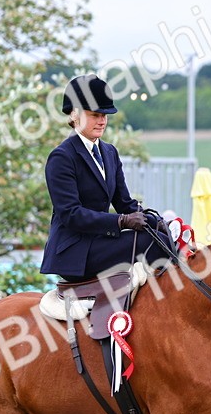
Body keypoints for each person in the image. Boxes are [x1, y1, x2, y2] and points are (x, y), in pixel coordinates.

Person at [40, 74, 172, 282]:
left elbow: (125, 203)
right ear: (75, 115)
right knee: (148, 242)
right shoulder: (62, 157)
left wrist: (157, 222)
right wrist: (122, 221)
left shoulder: (110, 152)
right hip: (74, 251)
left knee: (163, 238)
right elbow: (71, 214)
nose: (102, 121)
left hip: (100, 242)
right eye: (95, 115)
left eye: (105, 115)